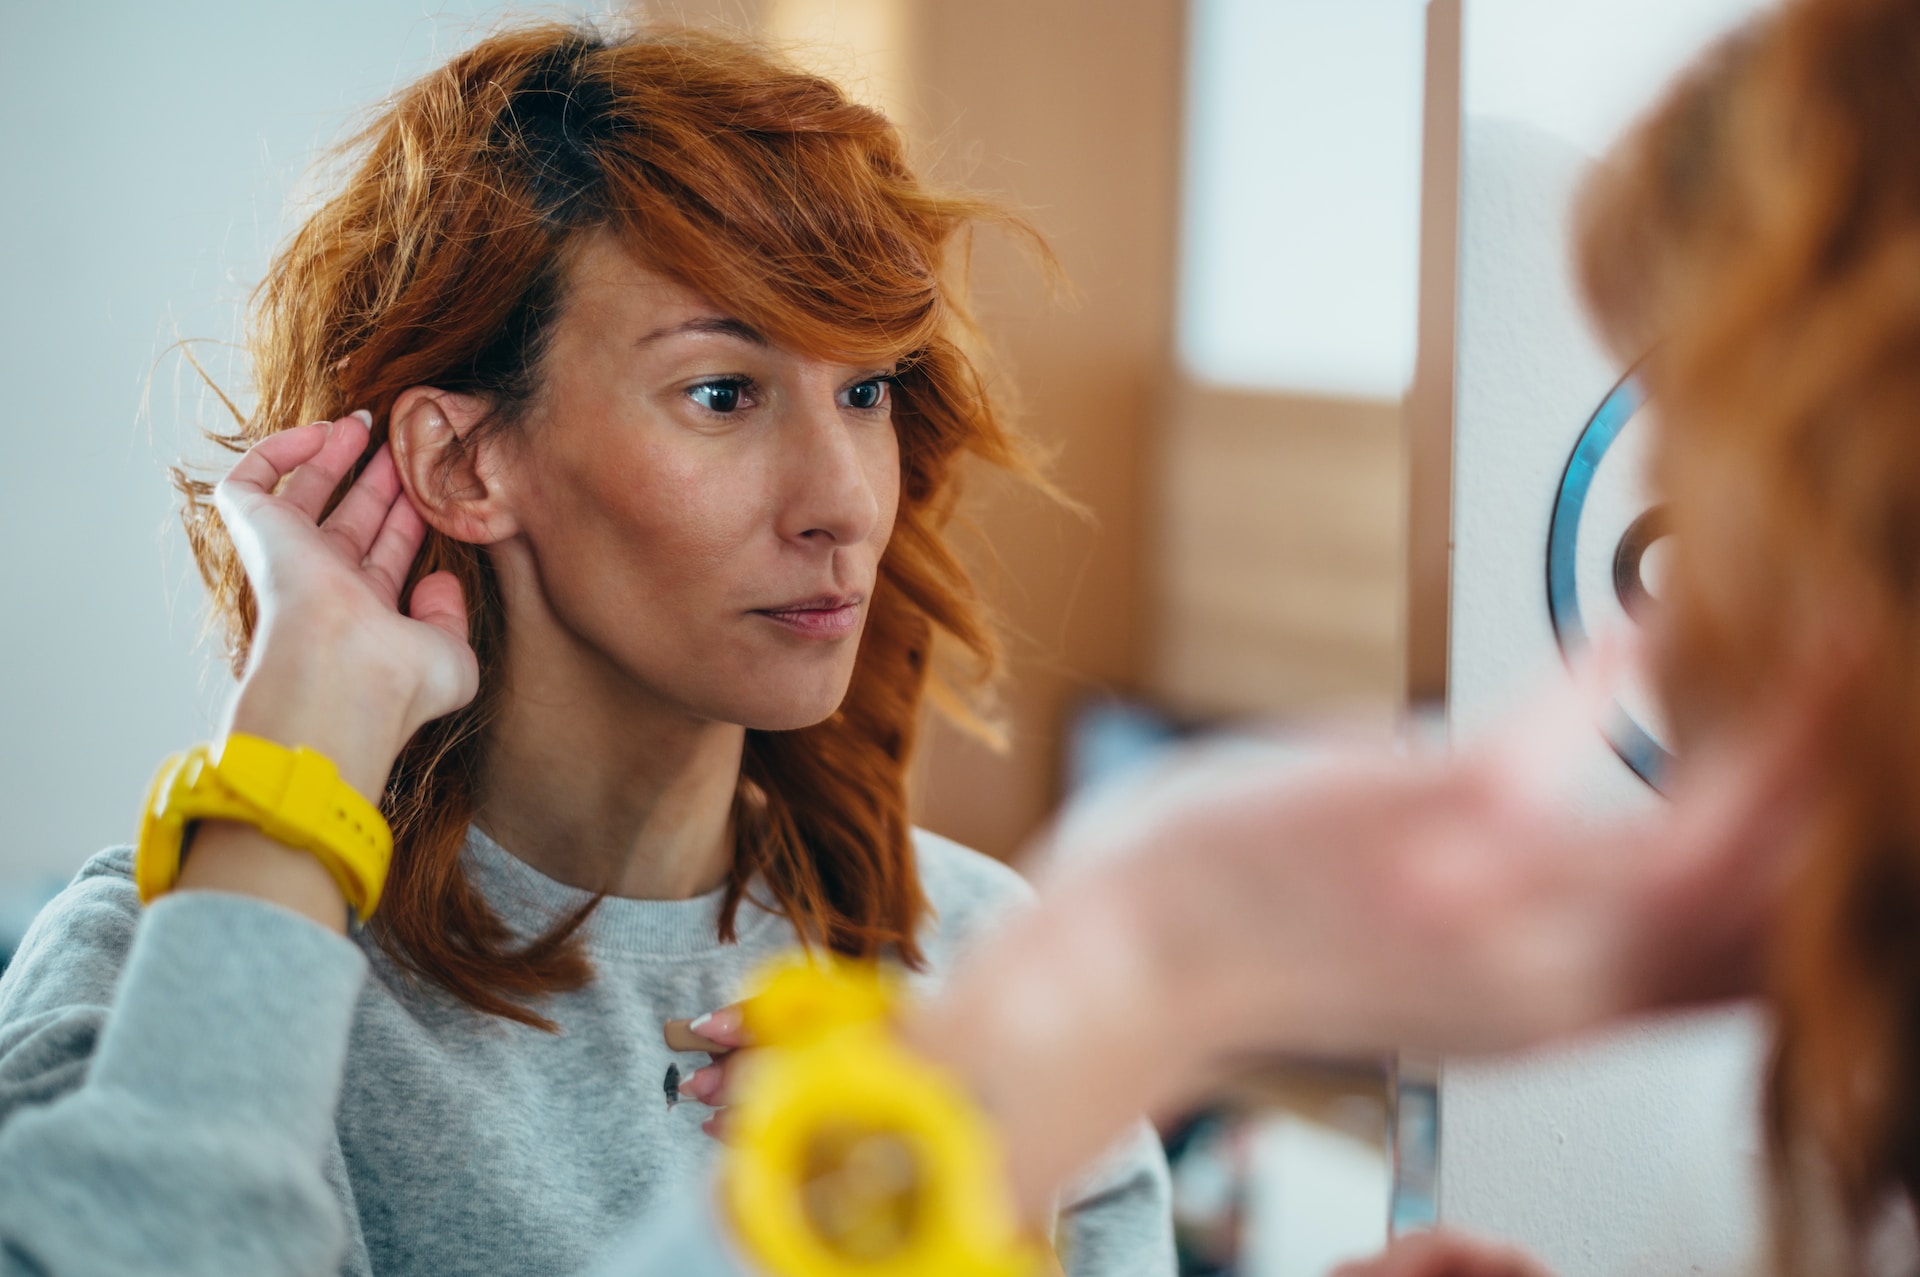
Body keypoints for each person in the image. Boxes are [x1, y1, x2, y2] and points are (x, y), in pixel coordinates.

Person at [0, 21, 1172, 1277]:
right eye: (724, 392)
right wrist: (296, 730)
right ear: (462, 462)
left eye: (868, 389)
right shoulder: (165, 978)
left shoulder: (992, 972)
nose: (845, 501)